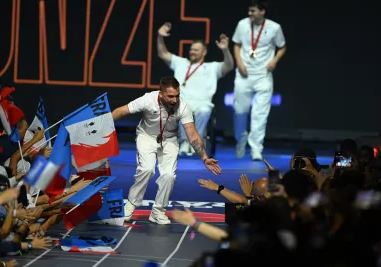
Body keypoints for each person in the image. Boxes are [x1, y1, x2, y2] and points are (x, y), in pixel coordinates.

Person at [111, 77, 221, 224]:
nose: (174, 100)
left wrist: (205, 158)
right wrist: (102, 126)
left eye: (177, 95)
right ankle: (131, 204)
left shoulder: (183, 106)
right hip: (147, 136)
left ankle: (158, 211)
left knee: (169, 175)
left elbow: (192, 134)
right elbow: (121, 111)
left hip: (169, 140)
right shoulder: (147, 100)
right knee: (147, 169)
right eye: (170, 96)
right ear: (161, 94)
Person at [157, 22, 234, 156]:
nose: (192, 51)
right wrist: (160, 36)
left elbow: (229, 66)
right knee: (181, 108)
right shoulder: (181, 62)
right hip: (183, 100)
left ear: (204, 52)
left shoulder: (212, 67)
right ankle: (185, 142)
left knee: (204, 111)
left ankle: (195, 142)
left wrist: (225, 50)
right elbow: (162, 53)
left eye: (196, 50)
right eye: (191, 49)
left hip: (203, 102)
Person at [232, 0, 286, 160]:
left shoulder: (274, 27)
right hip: (243, 74)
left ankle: (256, 148)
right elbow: (236, 44)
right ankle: (241, 140)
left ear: (262, 11)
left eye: (253, 11)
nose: (250, 14)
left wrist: (275, 60)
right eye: (249, 10)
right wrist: (239, 63)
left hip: (263, 75)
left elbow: (282, 46)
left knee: (260, 113)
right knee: (240, 111)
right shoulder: (242, 24)